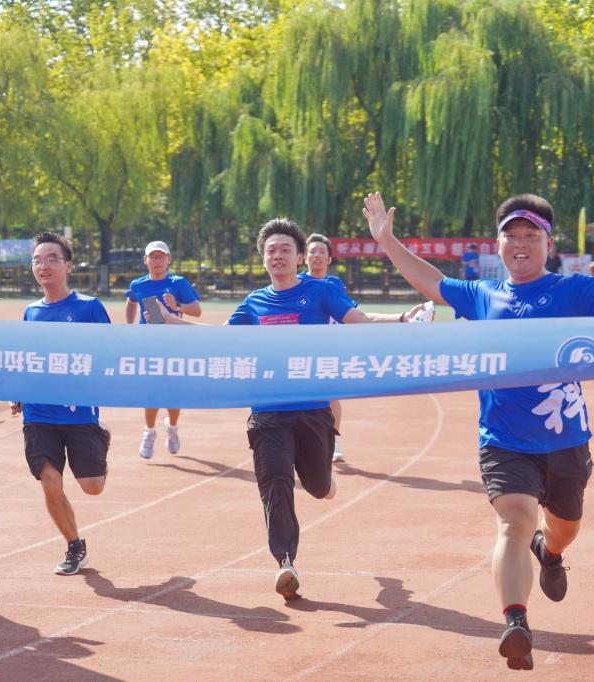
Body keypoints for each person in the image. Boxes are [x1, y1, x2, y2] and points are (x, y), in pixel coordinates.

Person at [363, 191, 594, 671]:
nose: (520, 243)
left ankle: (551, 553)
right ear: (498, 244)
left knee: (563, 528)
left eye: (530, 235)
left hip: (566, 440)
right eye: (511, 236)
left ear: (548, 244)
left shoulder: (572, 291)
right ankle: (516, 622)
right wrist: (387, 241)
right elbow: (433, 282)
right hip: (503, 441)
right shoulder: (483, 295)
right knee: (514, 521)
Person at [159, 219, 426, 601]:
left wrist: (402, 319)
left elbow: (360, 321)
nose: (278, 255)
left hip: (313, 409)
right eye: (271, 250)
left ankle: (325, 481)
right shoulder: (254, 304)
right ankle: (285, 562)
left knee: (316, 487)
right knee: (276, 483)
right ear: (263, 258)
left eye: (286, 249)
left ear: (299, 257)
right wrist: (172, 321)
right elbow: (219, 339)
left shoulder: (320, 291)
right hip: (267, 412)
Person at [10, 232, 112, 575]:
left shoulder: (88, 307)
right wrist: (19, 391)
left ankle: (102, 437)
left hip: (79, 411)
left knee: (93, 487)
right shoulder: (31, 312)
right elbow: (27, 359)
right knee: (49, 479)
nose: (44, 266)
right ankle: (74, 544)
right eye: (37, 260)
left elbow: (110, 352)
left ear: (68, 266)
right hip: (39, 412)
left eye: (52, 259)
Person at [125, 240, 202, 459]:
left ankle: (172, 428)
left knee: (172, 392)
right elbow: (131, 302)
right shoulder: (139, 285)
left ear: (168, 259)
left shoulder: (178, 283)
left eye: (161, 257)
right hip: (149, 344)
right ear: (145, 260)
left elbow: (196, 311)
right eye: (153, 257)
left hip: (174, 344)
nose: (157, 261)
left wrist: (177, 306)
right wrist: (129, 326)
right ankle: (149, 432)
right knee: (151, 391)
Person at [300, 233, 352, 463]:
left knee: (330, 395)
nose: (316, 255)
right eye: (312, 251)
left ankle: (333, 440)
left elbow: (348, 313)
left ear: (329, 259)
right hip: (301, 349)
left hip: (328, 348)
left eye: (321, 252)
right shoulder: (297, 282)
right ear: (304, 257)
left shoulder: (334, 285)